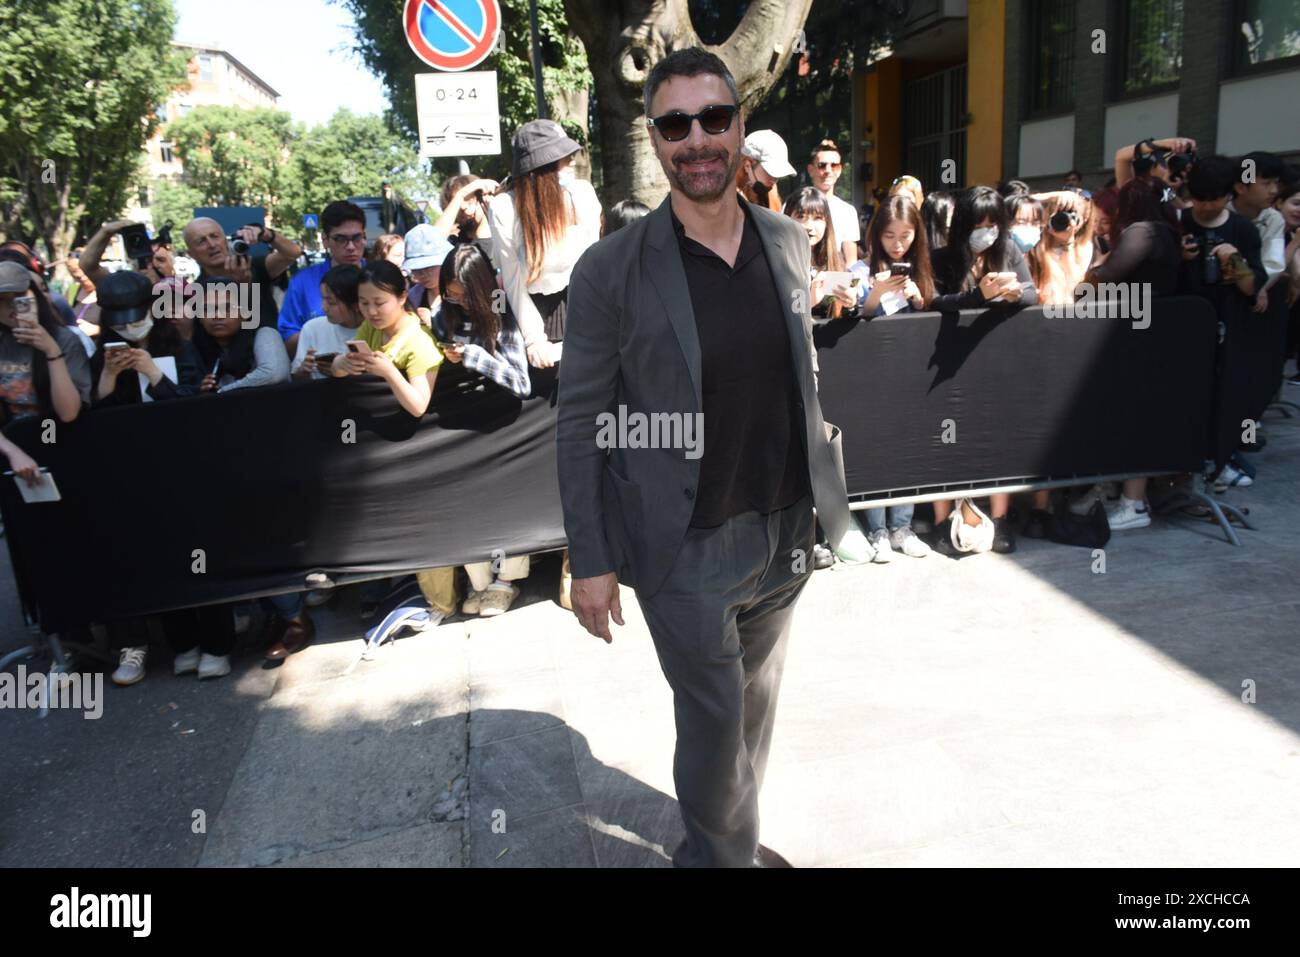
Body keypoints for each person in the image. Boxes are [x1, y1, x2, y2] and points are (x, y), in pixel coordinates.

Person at [558, 47, 855, 868]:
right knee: (716, 723)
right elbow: (580, 421)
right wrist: (591, 558)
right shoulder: (611, 269)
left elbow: (804, 370)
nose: (697, 139)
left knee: (754, 713)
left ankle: (728, 841)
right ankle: (722, 858)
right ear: (655, 140)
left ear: (740, 126)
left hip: (787, 526)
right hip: (683, 545)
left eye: (713, 119)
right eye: (675, 124)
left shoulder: (789, 240)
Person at [1067, 175, 1184, 530]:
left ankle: (1133, 503)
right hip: (1148, 334)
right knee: (1124, 416)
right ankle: (1115, 491)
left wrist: (1090, 273)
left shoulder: (1141, 233)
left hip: (1135, 337)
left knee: (1131, 418)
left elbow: (1102, 280)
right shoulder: (1166, 231)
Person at [424, 243, 534, 618]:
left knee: (510, 504)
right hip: (462, 430)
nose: (458, 302)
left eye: (463, 295)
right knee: (470, 504)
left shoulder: (502, 309)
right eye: (450, 295)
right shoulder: (445, 315)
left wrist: (474, 357)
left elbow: (521, 381)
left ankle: (507, 581)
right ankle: (480, 582)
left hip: (505, 428)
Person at [928, 185, 1039, 556]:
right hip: (948, 363)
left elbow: (1032, 294)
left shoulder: (1008, 250)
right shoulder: (943, 257)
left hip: (996, 361)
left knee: (996, 440)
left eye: (994, 224)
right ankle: (944, 522)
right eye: (980, 224)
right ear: (963, 224)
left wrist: (1011, 295)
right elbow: (934, 300)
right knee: (946, 442)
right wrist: (978, 296)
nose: (987, 232)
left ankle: (1002, 519)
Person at [848, 194, 935, 560]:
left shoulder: (922, 271)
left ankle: (903, 525)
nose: (898, 244)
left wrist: (919, 298)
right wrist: (875, 295)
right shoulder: (861, 270)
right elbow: (852, 318)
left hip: (912, 375)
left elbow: (935, 314)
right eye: (889, 236)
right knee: (875, 448)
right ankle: (878, 530)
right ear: (875, 235)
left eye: (905, 235)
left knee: (908, 448)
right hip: (871, 375)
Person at [1177, 154, 1267, 491]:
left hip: (1228, 328)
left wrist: (1236, 261)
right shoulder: (1180, 222)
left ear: (1229, 194)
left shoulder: (1242, 229)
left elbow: (1251, 287)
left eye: (1212, 199)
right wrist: (1180, 257)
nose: (1204, 207)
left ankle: (1220, 458)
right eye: (1198, 199)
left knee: (1224, 395)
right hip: (1185, 329)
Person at [489, 119, 601, 370]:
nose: (572, 161)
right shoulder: (505, 209)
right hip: (532, 312)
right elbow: (512, 280)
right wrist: (534, 341)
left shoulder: (581, 195)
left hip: (584, 304)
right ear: (542, 168)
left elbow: (594, 267)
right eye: (563, 157)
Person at [0, 261, 92, 490]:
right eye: (1, 301)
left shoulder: (64, 340)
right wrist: (13, 452)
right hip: (12, 448)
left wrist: (51, 351)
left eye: (19, 297)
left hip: (62, 442)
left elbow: (69, 412)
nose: (11, 306)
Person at [329, 260, 442, 418]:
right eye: (364, 303)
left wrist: (389, 372)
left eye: (379, 303)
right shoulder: (370, 327)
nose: (371, 312)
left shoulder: (421, 343)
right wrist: (340, 363)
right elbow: (340, 372)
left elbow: (419, 407)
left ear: (402, 297)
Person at [182, 216, 301, 343]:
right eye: (201, 241)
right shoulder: (197, 292)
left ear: (225, 239)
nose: (211, 245)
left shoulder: (254, 266)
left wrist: (266, 234)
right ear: (191, 254)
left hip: (269, 347)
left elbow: (293, 253)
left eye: (215, 236)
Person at [91, 271, 203, 405]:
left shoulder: (180, 348)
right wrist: (109, 374)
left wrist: (153, 372)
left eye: (137, 323)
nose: (130, 330)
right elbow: (100, 412)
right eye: (120, 327)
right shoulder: (102, 357)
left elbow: (193, 403)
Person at [275, 201, 367, 354]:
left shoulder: (379, 278)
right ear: (325, 240)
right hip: (319, 373)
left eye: (357, 238)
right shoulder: (302, 282)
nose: (351, 246)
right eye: (341, 239)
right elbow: (287, 339)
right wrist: (322, 341)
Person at [191, 277, 291, 394]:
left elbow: (273, 373)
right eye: (207, 309)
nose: (217, 315)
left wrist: (221, 393)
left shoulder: (265, 334)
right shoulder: (194, 346)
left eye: (227, 308)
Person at [782, 187, 855, 321]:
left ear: (827, 223)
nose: (809, 226)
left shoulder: (835, 261)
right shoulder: (776, 262)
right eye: (801, 216)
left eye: (817, 218)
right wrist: (809, 303)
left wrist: (850, 304)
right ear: (786, 218)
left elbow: (844, 317)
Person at [1229, 151, 1288, 316]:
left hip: (1250, 295)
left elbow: (1273, 263)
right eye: (1266, 183)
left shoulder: (1274, 219)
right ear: (1241, 187)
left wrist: (1257, 285)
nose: (1274, 190)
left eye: (1276, 183)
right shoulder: (1222, 212)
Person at [291, 264, 364, 380]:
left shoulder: (374, 331)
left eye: (332, 303)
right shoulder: (312, 328)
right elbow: (296, 378)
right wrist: (304, 369)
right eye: (323, 298)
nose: (324, 307)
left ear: (356, 305)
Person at [806, 139, 860, 266]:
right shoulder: (795, 205)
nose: (828, 170)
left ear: (839, 170)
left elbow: (851, 261)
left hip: (834, 279)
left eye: (834, 166)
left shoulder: (848, 211)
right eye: (822, 165)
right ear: (810, 170)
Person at [402, 224, 455, 328]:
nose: (423, 274)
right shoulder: (413, 297)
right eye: (417, 269)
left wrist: (434, 326)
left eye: (429, 267)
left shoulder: (461, 295)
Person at [433, 174, 498, 256]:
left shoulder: (501, 237)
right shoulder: (454, 245)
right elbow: (432, 240)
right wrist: (460, 195)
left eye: (468, 199)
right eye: (459, 202)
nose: (463, 207)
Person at [737, 129, 795, 212]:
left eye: (778, 173)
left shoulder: (770, 190)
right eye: (771, 171)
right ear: (747, 165)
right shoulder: (725, 189)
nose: (775, 179)